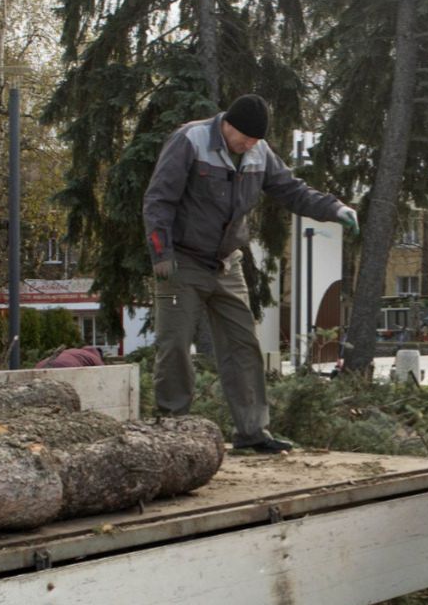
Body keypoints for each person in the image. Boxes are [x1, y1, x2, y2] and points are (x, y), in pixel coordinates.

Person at [143, 94, 359, 453]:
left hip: (228, 265)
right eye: (245, 138)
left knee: (244, 347)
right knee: (174, 343)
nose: (250, 146)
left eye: (256, 141)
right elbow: (158, 200)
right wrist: (160, 255)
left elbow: (292, 191)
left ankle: (253, 432)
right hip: (178, 265)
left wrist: (334, 208)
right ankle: (172, 428)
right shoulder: (190, 140)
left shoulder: (260, 152)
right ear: (227, 124)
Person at [35, 346, 104, 369]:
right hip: (66, 367)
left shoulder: (74, 350)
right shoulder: (95, 357)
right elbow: (103, 373)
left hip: (40, 366)